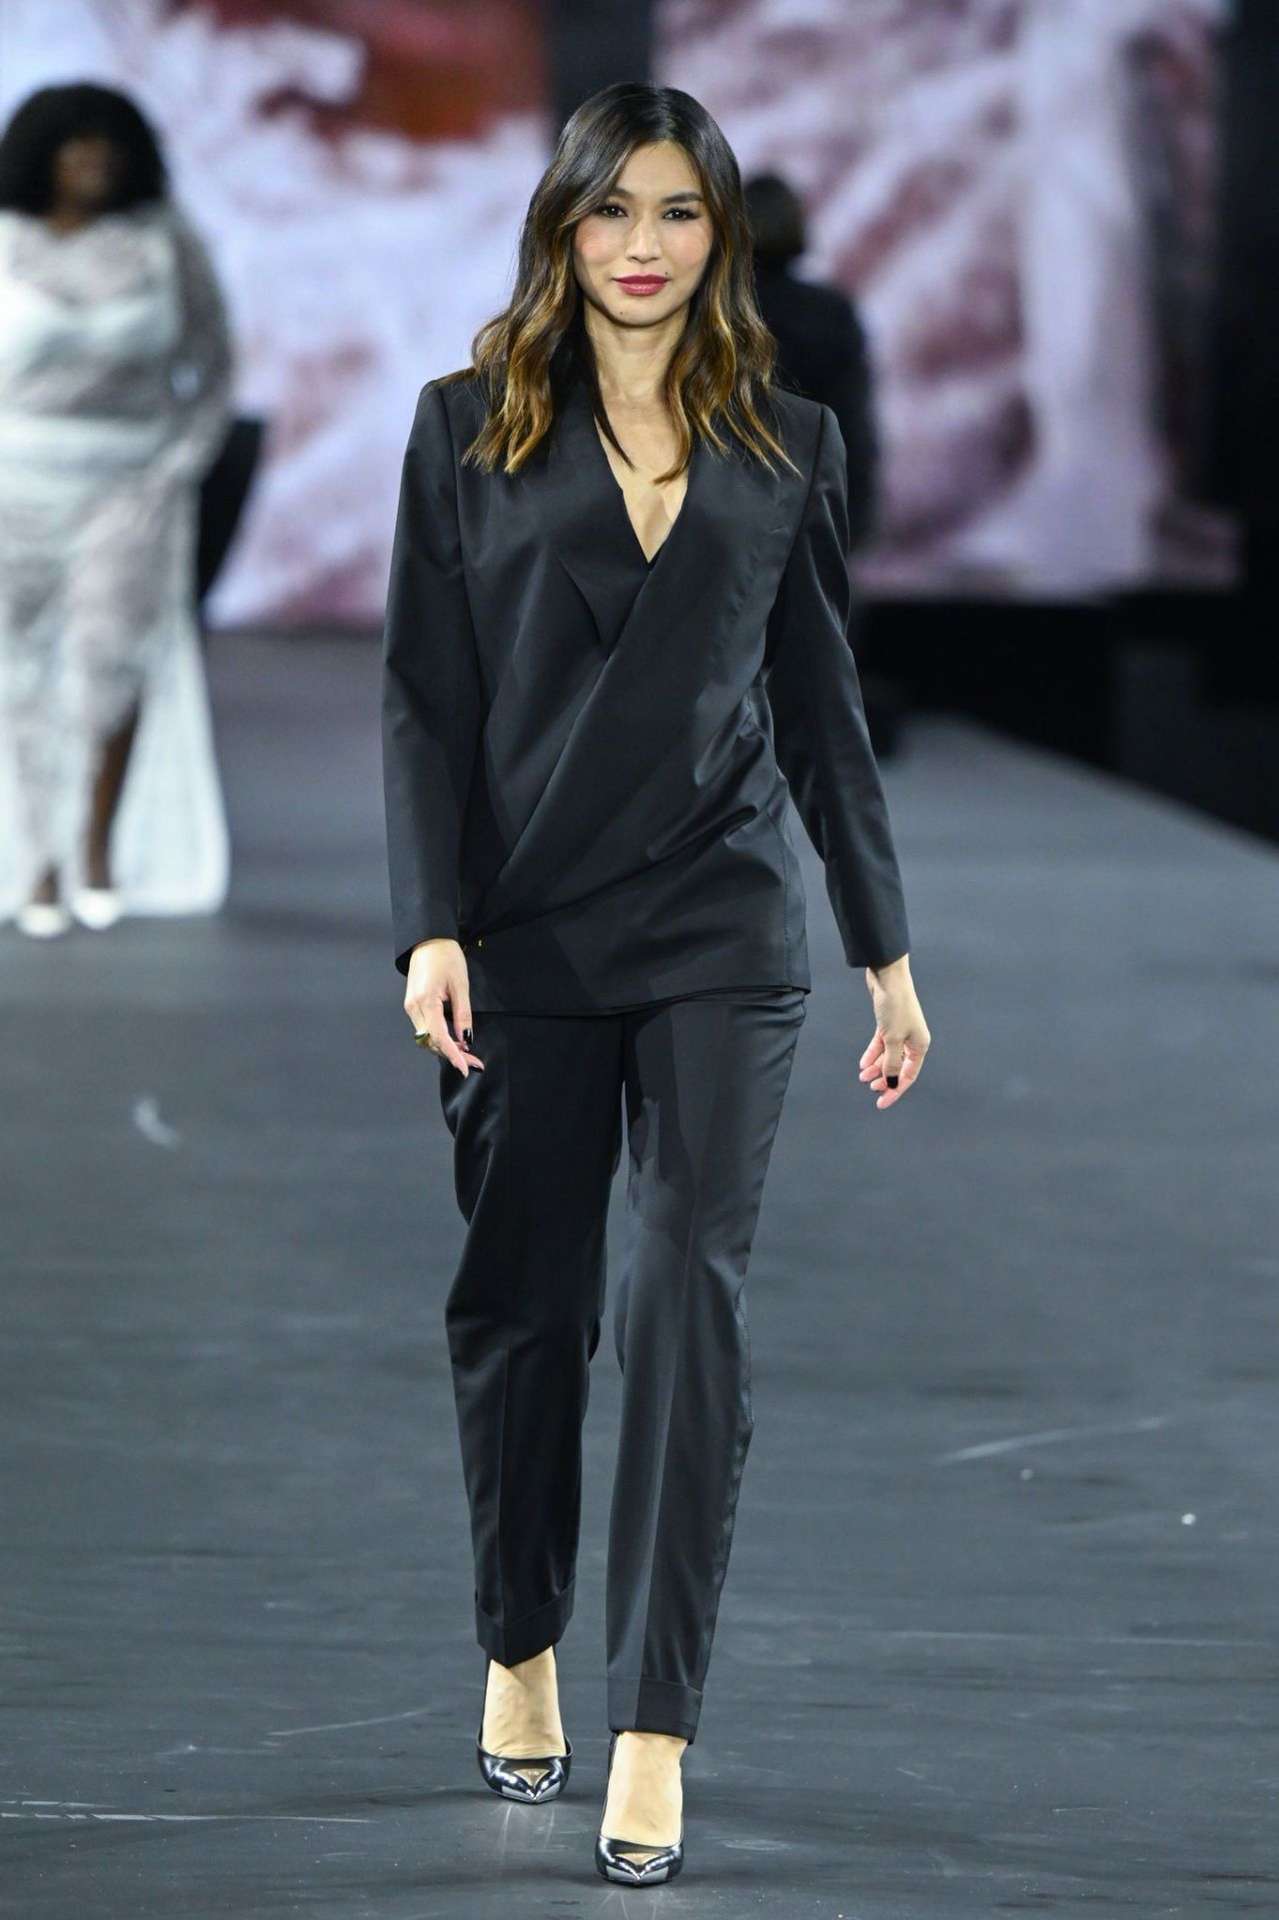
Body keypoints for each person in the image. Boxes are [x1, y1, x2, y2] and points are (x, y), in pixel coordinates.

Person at [381, 81, 932, 1887]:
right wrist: (429, 923)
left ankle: (653, 1728)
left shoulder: (785, 442)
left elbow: (821, 709)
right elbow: (425, 699)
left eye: (678, 211)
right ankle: (519, 1636)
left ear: (722, 234)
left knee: (687, 1295)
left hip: (718, 923)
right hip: (524, 931)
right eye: (609, 208)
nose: (641, 244)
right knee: (527, 1311)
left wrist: (881, 951)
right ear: (561, 224)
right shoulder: (465, 425)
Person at [0, 82, 233, 938]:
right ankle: (37, 860)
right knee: (17, 673)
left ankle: (95, 843)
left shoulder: (165, 241)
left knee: (110, 659)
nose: (92, 160)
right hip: (13, 482)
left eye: (108, 144)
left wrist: (177, 463)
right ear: (42, 154)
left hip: (130, 484)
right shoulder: (6, 238)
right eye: (75, 144)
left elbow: (213, 363)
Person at [744, 170, 880, 549]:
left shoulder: (710, 315)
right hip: (813, 512)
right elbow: (852, 426)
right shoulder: (830, 314)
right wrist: (856, 517)